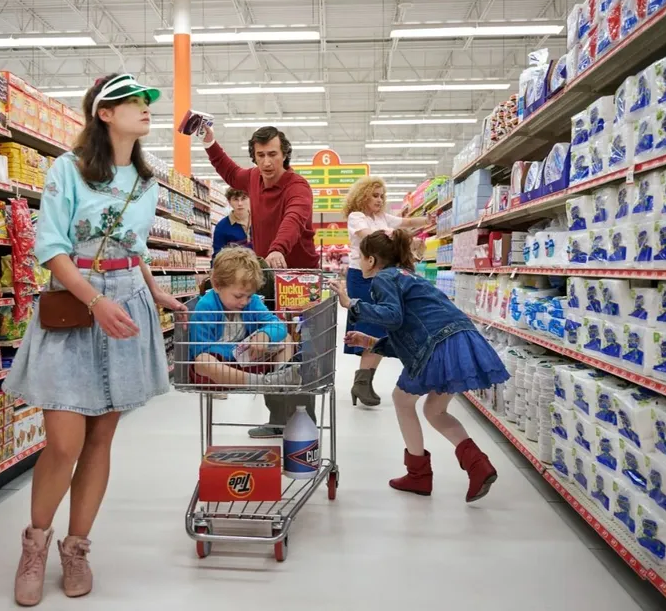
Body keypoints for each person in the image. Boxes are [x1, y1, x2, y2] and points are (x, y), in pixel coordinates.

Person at [2, 73, 185, 606]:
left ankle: (77, 549)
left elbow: (137, 249)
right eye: (136, 102)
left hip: (127, 301)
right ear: (105, 112)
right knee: (63, 442)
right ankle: (34, 545)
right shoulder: (68, 170)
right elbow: (51, 247)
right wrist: (94, 300)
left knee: (102, 440)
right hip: (76, 303)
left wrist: (155, 293)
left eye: (149, 103)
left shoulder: (148, 181)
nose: (147, 109)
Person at [330, 229, 509, 502]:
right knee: (435, 411)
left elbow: (392, 316)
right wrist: (371, 342)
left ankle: (418, 476)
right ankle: (478, 465)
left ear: (369, 260)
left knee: (402, 400)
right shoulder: (407, 276)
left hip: (438, 344)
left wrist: (351, 304)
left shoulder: (384, 278)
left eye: (359, 256)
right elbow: (407, 332)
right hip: (458, 339)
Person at [200, 124, 318, 438]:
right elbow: (228, 171)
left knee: (301, 350)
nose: (266, 162)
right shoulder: (253, 179)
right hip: (267, 277)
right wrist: (210, 141)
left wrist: (278, 248)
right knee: (269, 344)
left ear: (285, 154)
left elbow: (294, 217)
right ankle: (279, 418)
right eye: (260, 155)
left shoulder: (298, 186)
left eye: (273, 155)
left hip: (301, 280)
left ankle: (301, 421)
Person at [342, 176, 434, 408]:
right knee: (372, 324)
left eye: (382, 195)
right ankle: (362, 382)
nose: (379, 199)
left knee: (383, 327)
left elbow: (404, 222)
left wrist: (429, 219)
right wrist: (398, 238)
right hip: (362, 275)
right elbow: (370, 239)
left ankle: (364, 381)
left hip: (381, 275)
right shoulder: (357, 217)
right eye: (374, 195)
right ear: (362, 195)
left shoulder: (382, 217)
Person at [190, 247, 298, 388]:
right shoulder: (205, 307)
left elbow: (278, 325)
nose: (244, 301)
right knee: (202, 361)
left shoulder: (252, 301)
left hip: (249, 359)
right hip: (222, 366)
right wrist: (236, 350)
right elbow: (199, 350)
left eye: (249, 295)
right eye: (238, 296)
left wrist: (265, 335)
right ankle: (260, 382)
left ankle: (280, 377)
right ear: (217, 285)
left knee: (285, 338)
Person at [211, 187, 252, 259]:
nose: (240, 203)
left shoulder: (261, 222)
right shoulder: (221, 227)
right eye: (235, 199)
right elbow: (217, 256)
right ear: (229, 202)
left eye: (244, 198)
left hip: (262, 268)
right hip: (236, 269)